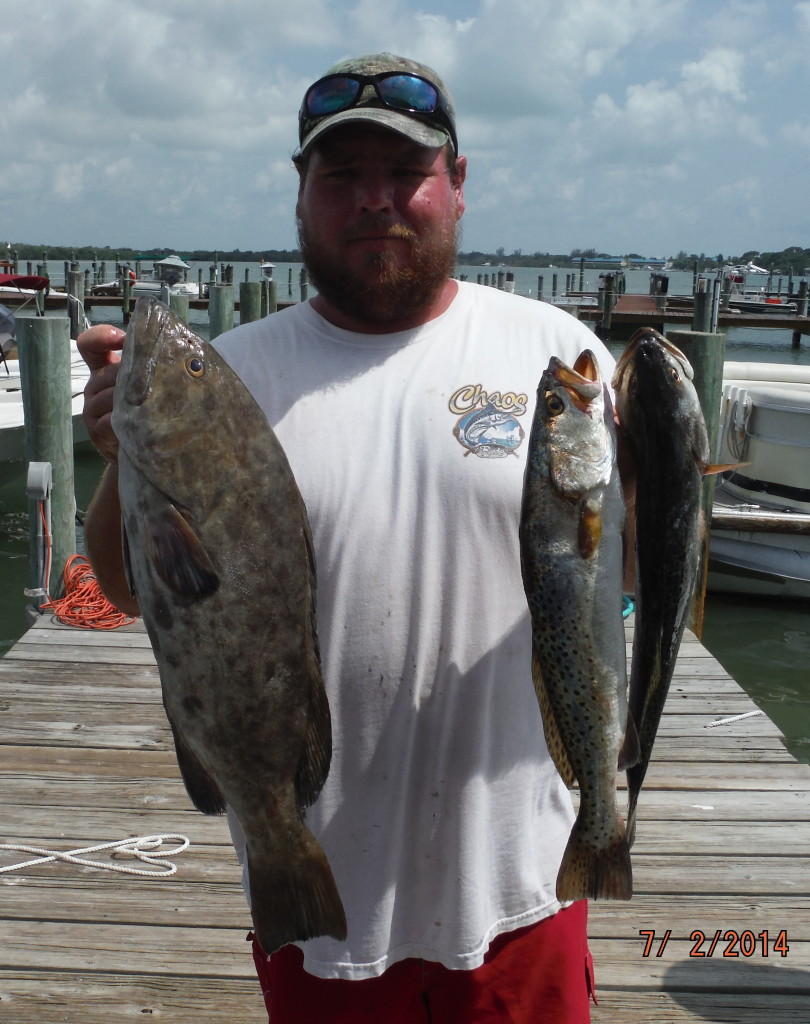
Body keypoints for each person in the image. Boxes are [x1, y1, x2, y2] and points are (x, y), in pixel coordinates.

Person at [79, 52, 629, 1023]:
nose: (375, 200)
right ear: (302, 194)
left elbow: (610, 575)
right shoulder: (229, 374)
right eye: (342, 176)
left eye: (405, 173)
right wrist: (126, 453)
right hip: (325, 899)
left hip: (522, 890)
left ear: (458, 185)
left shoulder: (558, 352)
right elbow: (129, 590)